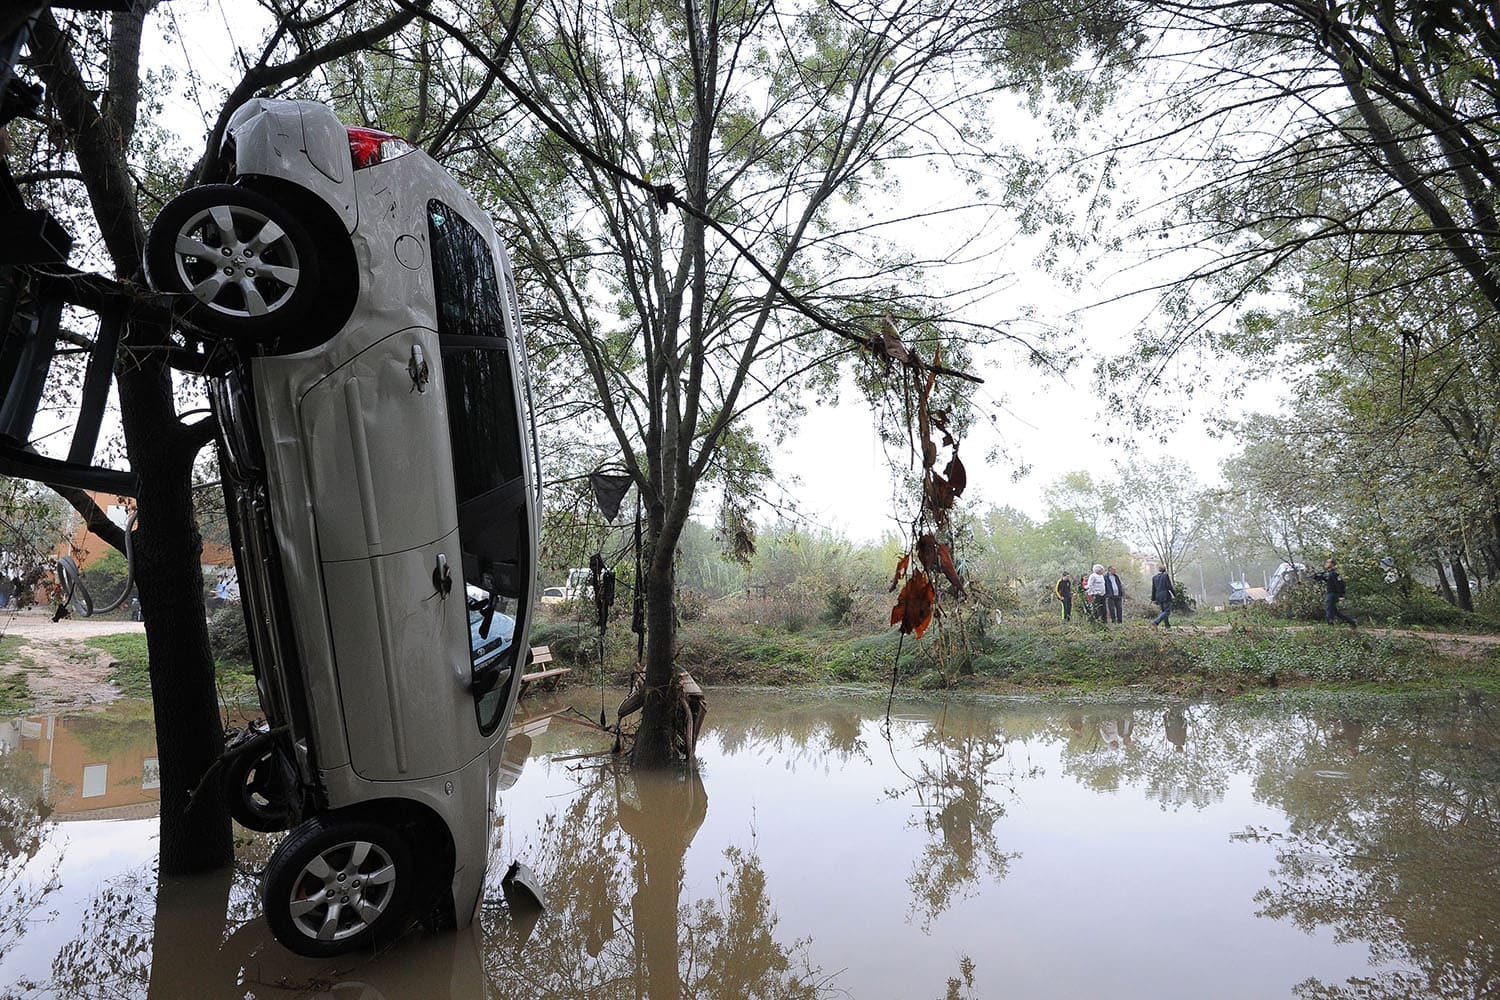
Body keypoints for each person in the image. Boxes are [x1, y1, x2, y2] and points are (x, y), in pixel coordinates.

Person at [1313, 557, 1356, 627]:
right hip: (1329, 593)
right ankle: (1351, 621)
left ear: (1332, 564)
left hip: (1333, 594)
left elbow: (1340, 585)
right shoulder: (1327, 573)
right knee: (1335, 611)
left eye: (1328, 562)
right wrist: (1316, 576)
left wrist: (1341, 595)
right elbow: (1322, 578)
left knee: (1329, 609)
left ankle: (1330, 625)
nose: (1326, 563)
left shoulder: (1335, 574)